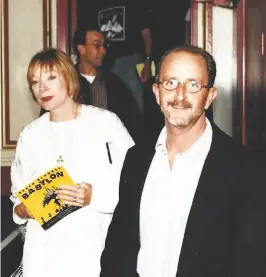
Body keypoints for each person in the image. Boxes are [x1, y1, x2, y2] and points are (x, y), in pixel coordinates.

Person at [100, 45, 266, 277]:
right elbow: (118, 248)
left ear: (209, 97)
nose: (179, 96)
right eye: (170, 83)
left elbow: (251, 263)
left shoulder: (245, 167)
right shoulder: (136, 159)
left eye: (193, 85)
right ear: (157, 92)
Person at [10, 48, 134, 277]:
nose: (42, 88)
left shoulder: (105, 123)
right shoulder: (30, 134)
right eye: (35, 82)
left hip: (92, 251)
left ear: (68, 78)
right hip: (43, 256)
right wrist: (24, 210)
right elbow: (18, 199)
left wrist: (93, 196)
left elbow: (133, 182)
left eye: (50, 78)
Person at [77, 1, 153, 114]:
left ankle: (135, 129)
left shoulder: (135, 5)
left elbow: (147, 36)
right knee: (102, 101)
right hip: (103, 62)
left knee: (134, 100)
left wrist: (147, 62)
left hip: (128, 59)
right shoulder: (96, 5)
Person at [72, 28, 145, 143]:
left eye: (104, 46)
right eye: (97, 45)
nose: (103, 51)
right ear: (81, 49)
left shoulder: (113, 83)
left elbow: (134, 123)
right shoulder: (67, 84)